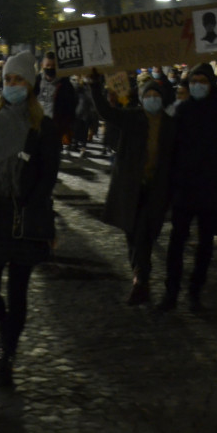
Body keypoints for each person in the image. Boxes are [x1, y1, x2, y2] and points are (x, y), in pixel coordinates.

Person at [0, 52, 60, 387]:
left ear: (31, 84)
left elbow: (48, 174)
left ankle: (7, 354)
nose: (12, 85)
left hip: (23, 217)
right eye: (8, 79)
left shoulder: (43, 127)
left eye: (19, 80)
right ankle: (6, 324)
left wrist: (31, 203)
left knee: (18, 289)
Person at [89, 71, 174, 305]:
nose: (153, 98)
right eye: (149, 95)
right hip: (130, 188)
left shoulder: (170, 125)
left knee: (145, 234)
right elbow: (106, 112)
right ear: (143, 98)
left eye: (157, 95)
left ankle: (140, 278)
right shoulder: (133, 118)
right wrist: (95, 85)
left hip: (156, 190)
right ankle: (141, 276)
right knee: (132, 232)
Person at [161, 63, 217, 313]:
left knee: (205, 245)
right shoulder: (181, 110)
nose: (197, 85)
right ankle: (171, 292)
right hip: (184, 187)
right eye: (194, 81)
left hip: (211, 189)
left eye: (203, 80)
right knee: (176, 243)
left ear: (211, 83)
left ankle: (195, 293)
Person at [34, 51, 76, 148]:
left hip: (54, 129)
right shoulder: (36, 81)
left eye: (53, 66)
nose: (50, 68)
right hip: (36, 125)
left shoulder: (65, 85)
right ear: (42, 65)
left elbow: (70, 109)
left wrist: (64, 129)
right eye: (47, 65)